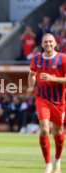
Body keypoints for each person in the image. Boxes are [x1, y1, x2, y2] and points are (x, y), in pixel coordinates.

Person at [27, 33, 66, 173]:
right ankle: (48, 164)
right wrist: (31, 86)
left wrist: (52, 78)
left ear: (55, 43)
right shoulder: (37, 58)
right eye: (45, 42)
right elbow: (31, 74)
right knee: (44, 130)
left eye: (50, 42)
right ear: (42, 44)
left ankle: (57, 160)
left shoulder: (62, 58)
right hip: (42, 98)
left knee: (58, 131)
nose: (48, 44)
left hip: (59, 101)